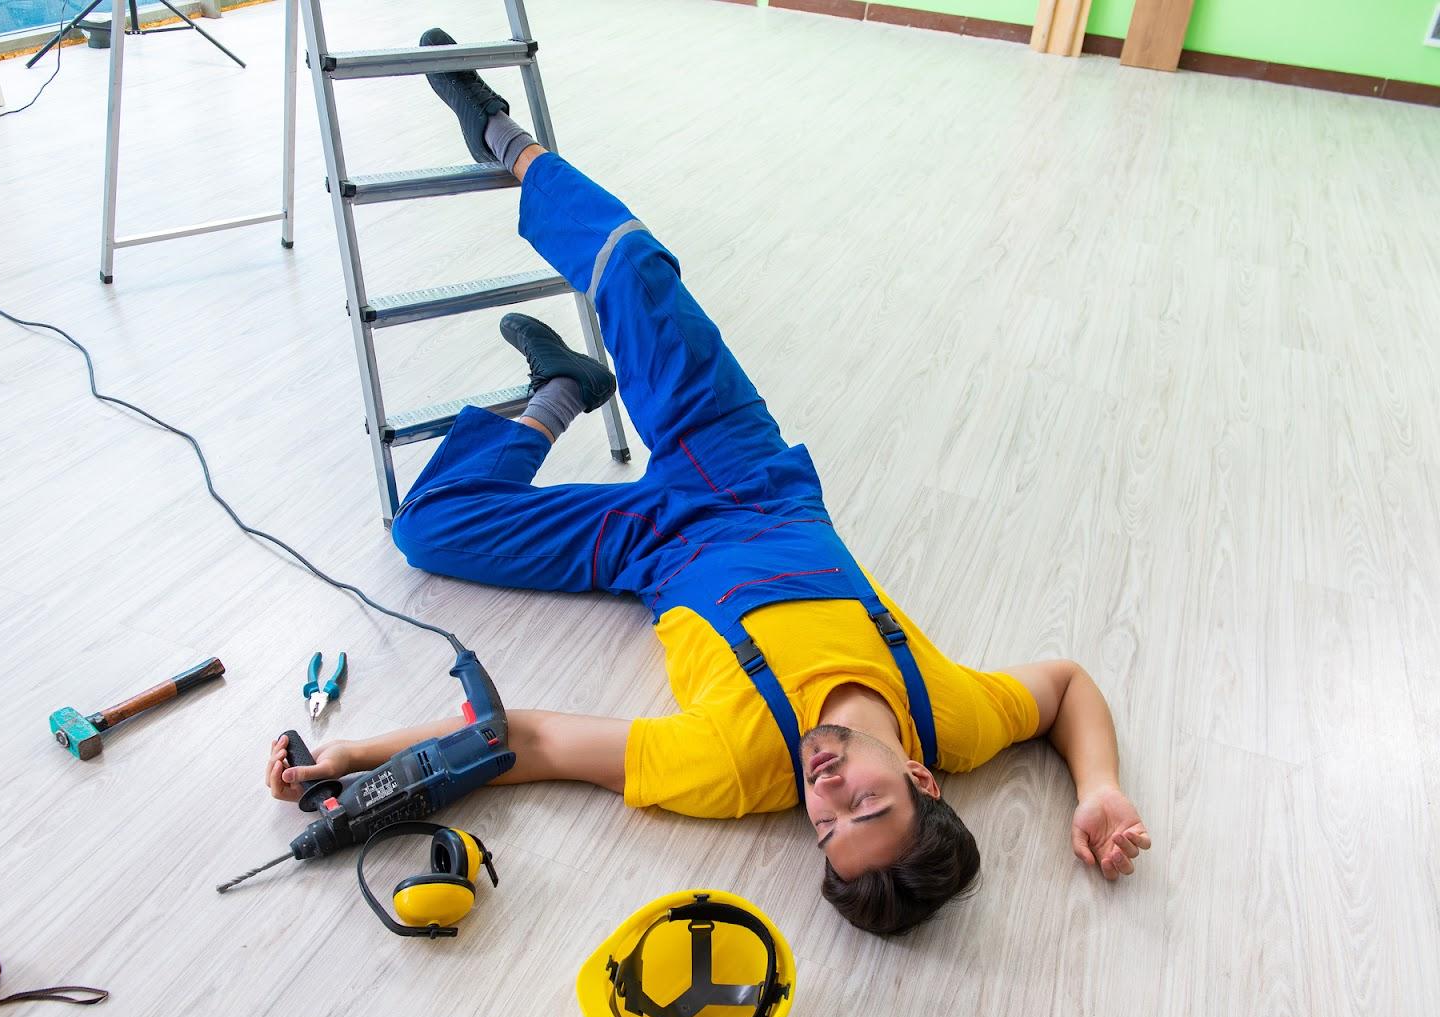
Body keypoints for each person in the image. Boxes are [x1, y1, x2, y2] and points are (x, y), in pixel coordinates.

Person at [265, 28, 1152, 935]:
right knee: (632, 268)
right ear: (923, 778)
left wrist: (352, 757)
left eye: (826, 828)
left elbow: (527, 742)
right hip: (742, 473)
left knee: (428, 529)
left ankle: (561, 389)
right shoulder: (956, 717)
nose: (828, 794)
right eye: (868, 805)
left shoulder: (733, 768)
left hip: (656, 550)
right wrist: (1100, 786)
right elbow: (1068, 686)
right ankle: (503, 140)